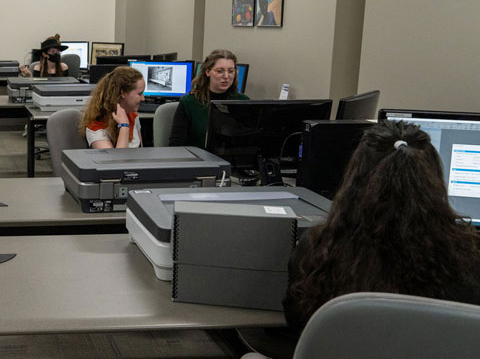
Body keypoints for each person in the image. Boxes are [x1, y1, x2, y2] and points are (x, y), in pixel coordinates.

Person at [241, 121, 480, 359]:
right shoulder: (468, 257)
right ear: (434, 181)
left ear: (355, 177)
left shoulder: (319, 249)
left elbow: (296, 321)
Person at [168, 49, 249, 148]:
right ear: (207, 72)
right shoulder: (189, 103)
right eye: (220, 71)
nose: (226, 76)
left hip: (234, 160)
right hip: (199, 161)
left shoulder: (243, 101)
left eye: (231, 71)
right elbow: (176, 145)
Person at [80, 66, 145, 148]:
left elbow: (141, 153)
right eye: (140, 94)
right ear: (123, 93)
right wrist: (124, 126)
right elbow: (116, 160)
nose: (143, 98)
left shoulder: (133, 115)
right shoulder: (96, 128)